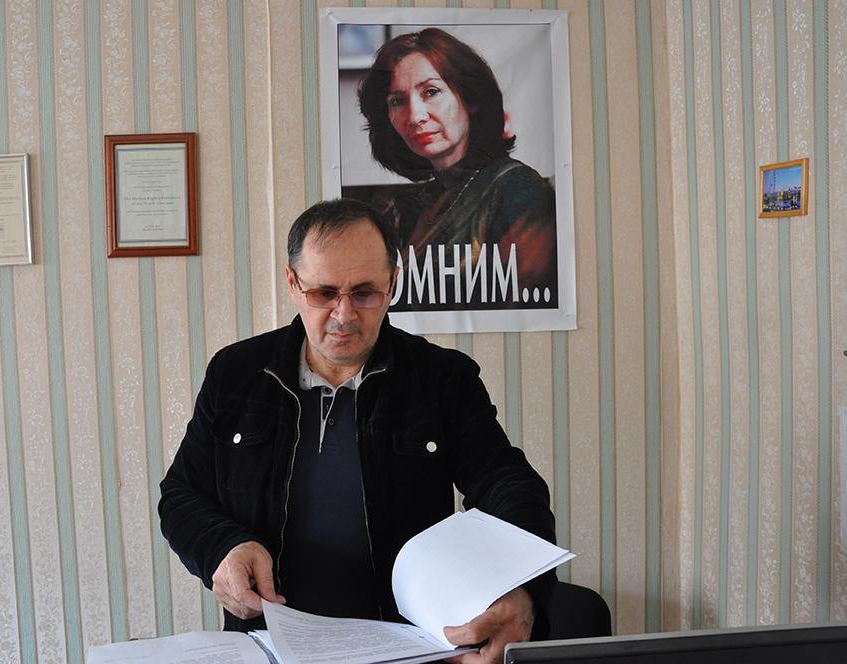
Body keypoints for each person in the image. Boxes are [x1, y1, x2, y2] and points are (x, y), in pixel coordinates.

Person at [159, 199, 556, 663]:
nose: (344, 315)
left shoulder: (442, 378)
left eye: (364, 292)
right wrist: (220, 549)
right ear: (293, 284)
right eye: (324, 293)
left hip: (409, 648)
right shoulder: (236, 373)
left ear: (392, 283)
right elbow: (181, 493)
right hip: (270, 645)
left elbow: (509, 486)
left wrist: (522, 588)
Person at [354, 28, 557, 310]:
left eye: (432, 92)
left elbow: (526, 309)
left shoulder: (517, 188)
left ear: (470, 98)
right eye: (397, 101)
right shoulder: (407, 205)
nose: (416, 116)